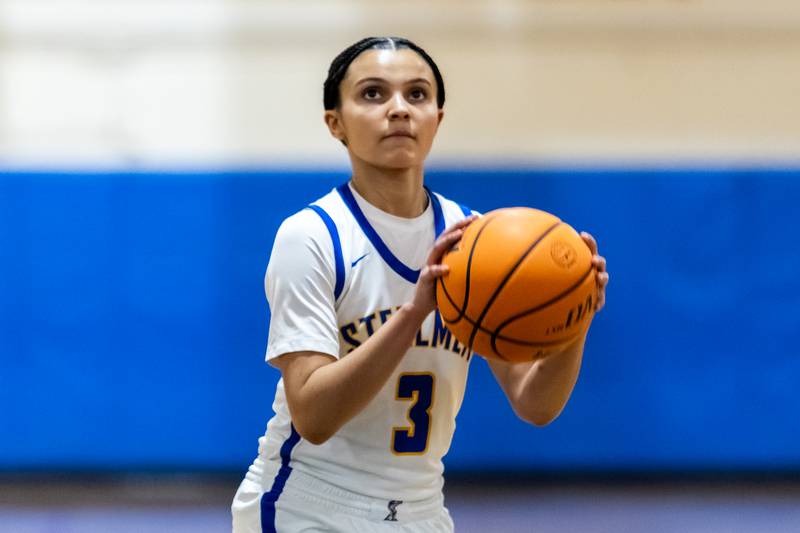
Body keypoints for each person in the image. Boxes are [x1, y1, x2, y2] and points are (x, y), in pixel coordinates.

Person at [231, 36, 609, 533]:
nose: (398, 110)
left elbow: (535, 404)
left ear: (437, 118)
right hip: (309, 505)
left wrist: (573, 318)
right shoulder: (311, 237)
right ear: (335, 123)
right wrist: (413, 313)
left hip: (421, 511)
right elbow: (314, 417)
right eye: (372, 94)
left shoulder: (474, 240)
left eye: (417, 95)